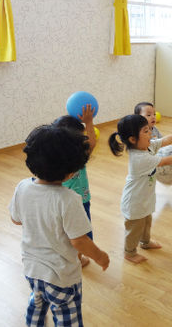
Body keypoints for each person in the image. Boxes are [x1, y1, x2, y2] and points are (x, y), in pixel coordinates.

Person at [10, 124, 110, 326]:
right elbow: (80, 241)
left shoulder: (23, 186)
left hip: (31, 268)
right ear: (71, 170)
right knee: (67, 315)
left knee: (37, 302)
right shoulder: (69, 199)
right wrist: (100, 256)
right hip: (61, 276)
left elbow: (16, 219)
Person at [108, 114, 172, 263]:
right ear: (133, 139)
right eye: (146, 131)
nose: (151, 134)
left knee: (147, 222)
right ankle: (129, 252)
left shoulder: (147, 146)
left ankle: (145, 243)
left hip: (144, 198)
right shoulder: (140, 158)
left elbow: (166, 140)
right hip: (134, 202)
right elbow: (165, 161)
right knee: (134, 229)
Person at [53, 104, 96, 267]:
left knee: (64, 232)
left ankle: (69, 257)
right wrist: (89, 122)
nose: (84, 139)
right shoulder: (78, 156)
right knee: (80, 233)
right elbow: (92, 144)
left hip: (60, 202)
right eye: (80, 137)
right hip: (78, 201)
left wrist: (87, 124)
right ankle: (76, 259)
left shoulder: (53, 156)